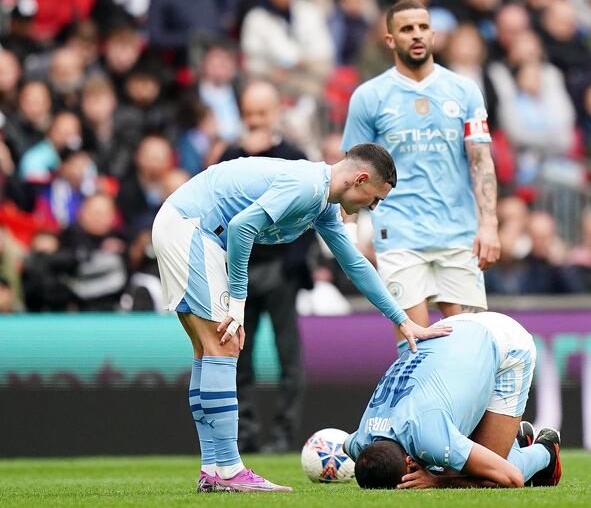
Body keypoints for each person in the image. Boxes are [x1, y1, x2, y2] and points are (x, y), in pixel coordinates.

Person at [151, 142, 449, 493]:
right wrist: (238, 301)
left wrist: (401, 319)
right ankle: (228, 470)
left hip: (184, 226)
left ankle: (214, 468)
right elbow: (242, 228)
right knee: (224, 344)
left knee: (208, 351)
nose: (373, 206)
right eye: (375, 198)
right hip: (193, 231)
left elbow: (354, 264)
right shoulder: (308, 187)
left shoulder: (322, 202)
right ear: (361, 178)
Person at [341, 0, 500, 330]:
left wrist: (489, 225)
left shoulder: (465, 91)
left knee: (468, 343)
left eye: (422, 27)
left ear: (433, 34)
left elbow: (481, 161)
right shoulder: (370, 96)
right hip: (399, 235)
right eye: (406, 29)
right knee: (415, 343)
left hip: (458, 234)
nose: (416, 35)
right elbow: (350, 171)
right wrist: (349, 232)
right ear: (390, 40)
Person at [343, 311, 561, 490]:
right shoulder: (360, 441)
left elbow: (512, 478)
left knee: (486, 477)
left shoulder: (429, 436)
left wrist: (436, 482)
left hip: (506, 342)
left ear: (409, 463)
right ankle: (515, 441)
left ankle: (546, 451)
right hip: (453, 331)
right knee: (450, 464)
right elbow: (345, 444)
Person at [216, 80, 312, 454]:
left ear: (275, 113)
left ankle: (286, 435)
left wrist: (292, 264)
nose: (255, 120)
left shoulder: (294, 155)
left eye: (261, 112)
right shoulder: (229, 155)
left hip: (281, 272)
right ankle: (246, 435)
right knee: (239, 358)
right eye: (249, 113)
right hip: (238, 271)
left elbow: (311, 211)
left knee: (290, 357)